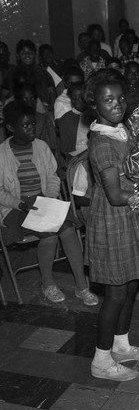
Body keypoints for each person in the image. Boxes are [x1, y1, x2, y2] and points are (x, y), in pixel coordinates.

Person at [85, 69, 139, 381]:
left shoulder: (121, 131)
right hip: (114, 220)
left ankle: (121, 345)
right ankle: (101, 360)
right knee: (115, 294)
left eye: (119, 98)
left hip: (129, 219)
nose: (117, 104)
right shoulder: (103, 142)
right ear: (95, 105)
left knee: (129, 288)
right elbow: (115, 195)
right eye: (108, 100)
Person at [0, 101, 98, 306]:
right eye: (25, 125)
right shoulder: (2, 154)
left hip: (42, 199)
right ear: (10, 128)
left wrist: (50, 197)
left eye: (33, 124)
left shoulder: (41, 146)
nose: (31, 129)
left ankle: (82, 286)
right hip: (16, 207)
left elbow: (53, 176)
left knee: (68, 230)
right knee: (50, 235)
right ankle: (48, 283)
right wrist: (20, 204)